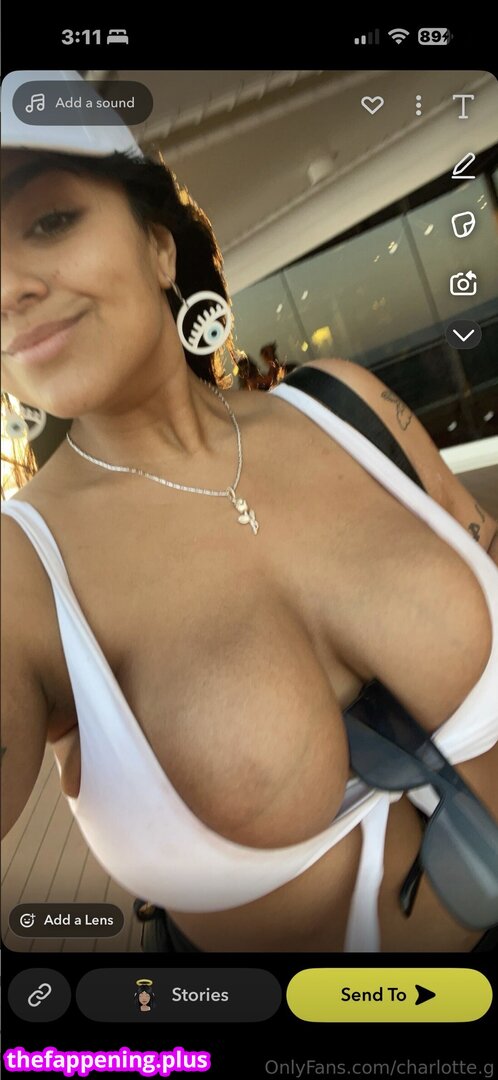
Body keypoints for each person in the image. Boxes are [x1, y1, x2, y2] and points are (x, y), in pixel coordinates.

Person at [2, 71, 498, 955]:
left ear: (160, 249)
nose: (8, 286)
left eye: (49, 221)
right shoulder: (21, 571)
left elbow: (481, 543)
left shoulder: (344, 404)